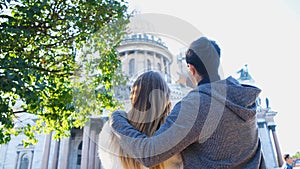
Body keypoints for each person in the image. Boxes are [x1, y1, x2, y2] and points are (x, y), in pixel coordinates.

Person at [110, 36, 266, 169]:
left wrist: (117, 118)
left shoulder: (194, 106)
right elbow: (257, 155)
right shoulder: (244, 98)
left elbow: (150, 154)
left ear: (191, 69)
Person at [98, 71, 183, 169]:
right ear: (166, 99)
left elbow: (107, 162)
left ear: (133, 97)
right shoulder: (174, 135)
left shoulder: (110, 130)